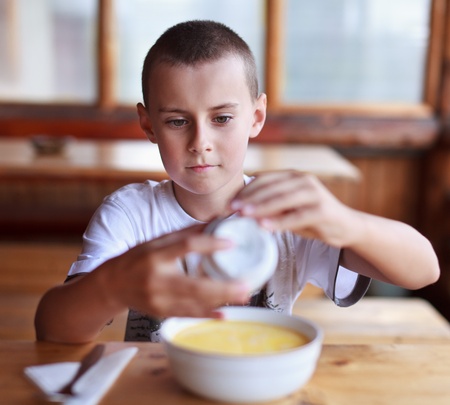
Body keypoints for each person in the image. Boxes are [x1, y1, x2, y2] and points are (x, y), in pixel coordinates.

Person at [35, 20, 440, 343]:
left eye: (222, 119)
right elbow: (53, 330)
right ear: (148, 124)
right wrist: (113, 286)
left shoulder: (285, 215)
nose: (201, 143)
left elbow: (425, 270)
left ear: (256, 117)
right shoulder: (130, 214)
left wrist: (348, 222)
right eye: (177, 121)